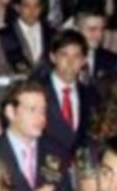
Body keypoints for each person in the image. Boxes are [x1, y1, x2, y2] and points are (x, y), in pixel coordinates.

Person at [39, 30, 99, 160]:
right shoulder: (36, 91)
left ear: (84, 61)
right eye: (64, 55)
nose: (70, 62)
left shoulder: (91, 95)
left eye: (76, 56)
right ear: (52, 57)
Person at [0, 0, 56, 76]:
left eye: (36, 6)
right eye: (26, 6)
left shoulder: (52, 34)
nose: (32, 11)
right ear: (18, 7)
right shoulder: (3, 35)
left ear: (42, 8)